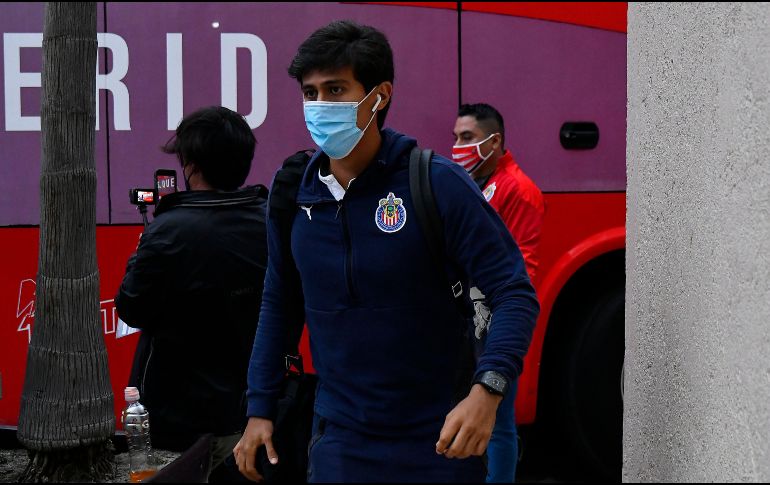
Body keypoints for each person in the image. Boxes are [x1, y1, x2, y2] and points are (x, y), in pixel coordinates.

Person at [234, 20, 539, 483]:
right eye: (310, 93)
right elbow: (279, 300)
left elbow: (513, 290)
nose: (319, 106)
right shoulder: (294, 191)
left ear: (379, 95)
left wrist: (488, 390)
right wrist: (259, 407)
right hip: (340, 441)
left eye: (336, 89)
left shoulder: (435, 183)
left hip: (438, 443)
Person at [115, 106, 268, 475]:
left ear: (190, 165)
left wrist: (143, 254)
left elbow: (130, 308)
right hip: (252, 409)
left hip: (177, 416)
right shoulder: (269, 219)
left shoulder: (168, 230)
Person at [452, 103, 546, 482]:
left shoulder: (519, 192)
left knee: (500, 419)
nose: (457, 146)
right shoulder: (471, 184)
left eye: (467, 138)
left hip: (492, 324)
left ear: (494, 142)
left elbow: (524, 271)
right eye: (456, 137)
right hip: (464, 320)